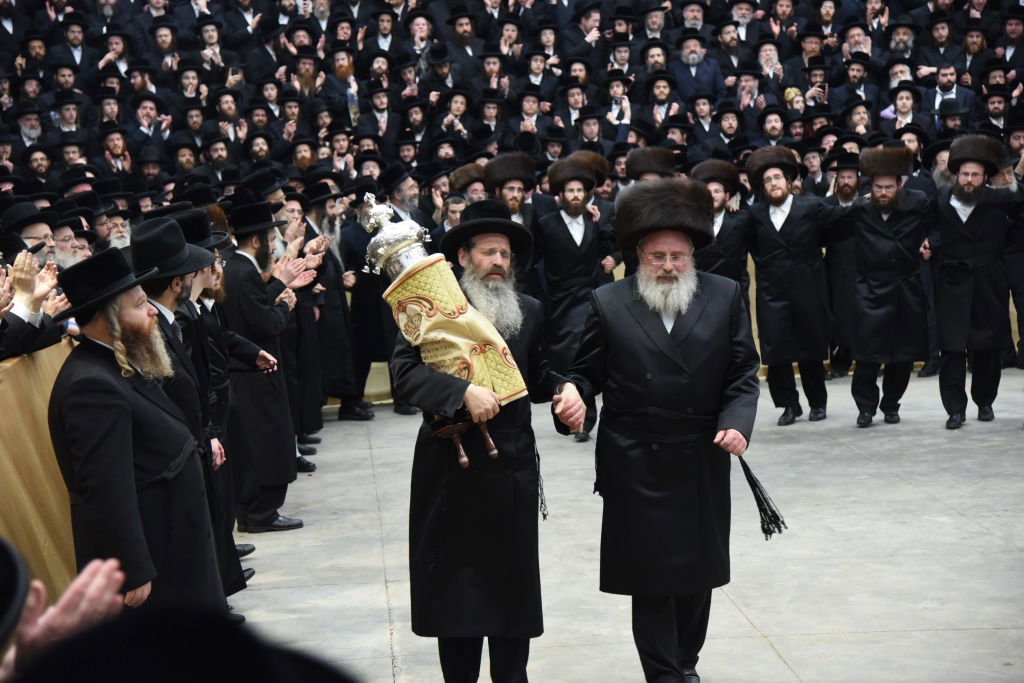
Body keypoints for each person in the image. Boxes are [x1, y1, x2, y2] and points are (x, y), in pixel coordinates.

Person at [558, 177, 760, 683]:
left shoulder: (726, 294)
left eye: (677, 256)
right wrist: (574, 396)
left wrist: (736, 424)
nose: (668, 267)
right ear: (636, 256)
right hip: (635, 459)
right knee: (649, 580)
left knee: (698, 576)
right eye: (657, 258)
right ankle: (666, 675)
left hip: (701, 453)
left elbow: (742, 373)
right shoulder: (608, 301)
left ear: (692, 252)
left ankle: (685, 664)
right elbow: (585, 373)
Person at [391, 199, 585, 683]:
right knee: (455, 591)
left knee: (511, 589)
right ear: (463, 258)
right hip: (448, 466)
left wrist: (565, 390)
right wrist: (460, 392)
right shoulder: (430, 306)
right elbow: (404, 374)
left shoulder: (530, 309)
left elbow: (535, 373)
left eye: (505, 254)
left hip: (511, 468)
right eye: (489, 252)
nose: (499, 262)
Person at [47, 248, 224, 613]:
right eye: (140, 304)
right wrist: (131, 567)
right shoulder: (91, 386)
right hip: (154, 562)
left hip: (173, 546)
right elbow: (106, 488)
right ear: (108, 320)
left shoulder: (117, 363)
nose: (152, 311)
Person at [220, 193, 314, 532]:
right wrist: (285, 302)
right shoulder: (243, 272)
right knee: (266, 445)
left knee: (256, 445)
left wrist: (278, 286)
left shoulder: (235, 266)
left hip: (246, 372)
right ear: (257, 239)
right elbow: (266, 324)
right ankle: (261, 514)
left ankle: (253, 513)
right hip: (256, 371)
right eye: (271, 239)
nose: (274, 246)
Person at [922, 134, 1024, 428]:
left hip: (988, 282)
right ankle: (955, 409)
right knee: (952, 348)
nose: (968, 180)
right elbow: (930, 225)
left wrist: (1012, 173)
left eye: (975, 175)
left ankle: (985, 400)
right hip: (952, 281)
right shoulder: (941, 198)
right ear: (955, 174)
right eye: (964, 174)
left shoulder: (1000, 200)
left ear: (985, 177)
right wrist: (931, 241)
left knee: (987, 348)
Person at [742, 145, 849, 426]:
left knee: (810, 347)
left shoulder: (811, 205)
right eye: (767, 180)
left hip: (808, 287)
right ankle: (788, 405)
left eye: (777, 178)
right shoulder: (755, 214)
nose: (773, 183)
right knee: (776, 350)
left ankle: (817, 403)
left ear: (789, 182)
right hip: (772, 289)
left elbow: (835, 227)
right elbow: (752, 245)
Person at [846, 145, 933, 426]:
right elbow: (829, 218)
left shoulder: (918, 203)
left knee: (902, 355)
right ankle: (865, 408)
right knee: (867, 355)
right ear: (870, 186)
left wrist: (932, 241)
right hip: (870, 288)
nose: (883, 193)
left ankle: (891, 403)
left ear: (899, 184)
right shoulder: (860, 208)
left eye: (889, 187)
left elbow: (941, 222)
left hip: (905, 287)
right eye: (878, 187)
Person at [535, 153, 616, 442]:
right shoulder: (546, 224)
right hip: (560, 303)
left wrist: (613, 259)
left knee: (589, 357)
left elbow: (612, 246)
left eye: (580, 190)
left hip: (591, 300)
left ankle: (585, 421)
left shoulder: (595, 221)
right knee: (565, 360)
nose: (575, 195)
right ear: (560, 195)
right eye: (570, 190)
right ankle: (570, 416)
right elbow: (536, 261)